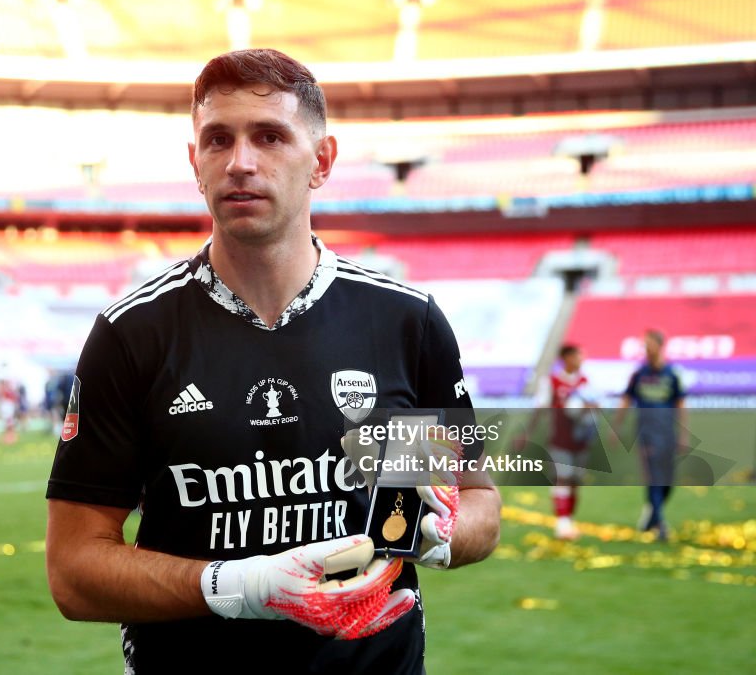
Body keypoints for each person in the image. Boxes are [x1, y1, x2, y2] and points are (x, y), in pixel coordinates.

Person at [45, 48, 501, 674]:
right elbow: (74, 572)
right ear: (194, 163)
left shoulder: (403, 323)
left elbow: (478, 500)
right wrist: (245, 588)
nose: (240, 162)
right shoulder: (133, 334)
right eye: (218, 139)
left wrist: (434, 533)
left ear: (321, 161)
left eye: (269, 137)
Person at [515, 344, 598, 540]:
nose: (580, 360)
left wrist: (590, 409)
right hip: (559, 439)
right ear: (566, 358)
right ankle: (562, 523)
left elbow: (595, 407)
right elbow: (540, 408)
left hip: (580, 441)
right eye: (577, 356)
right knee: (563, 477)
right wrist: (526, 433)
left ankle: (568, 518)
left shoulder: (585, 382)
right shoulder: (551, 381)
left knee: (576, 481)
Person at [612, 329, 688, 541]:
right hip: (646, 433)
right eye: (644, 345)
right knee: (654, 476)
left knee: (668, 480)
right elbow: (626, 400)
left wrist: (683, 434)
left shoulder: (672, 374)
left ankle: (651, 515)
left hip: (667, 432)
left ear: (659, 345)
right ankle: (660, 523)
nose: (646, 348)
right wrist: (616, 427)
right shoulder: (639, 374)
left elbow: (681, 404)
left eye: (649, 344)